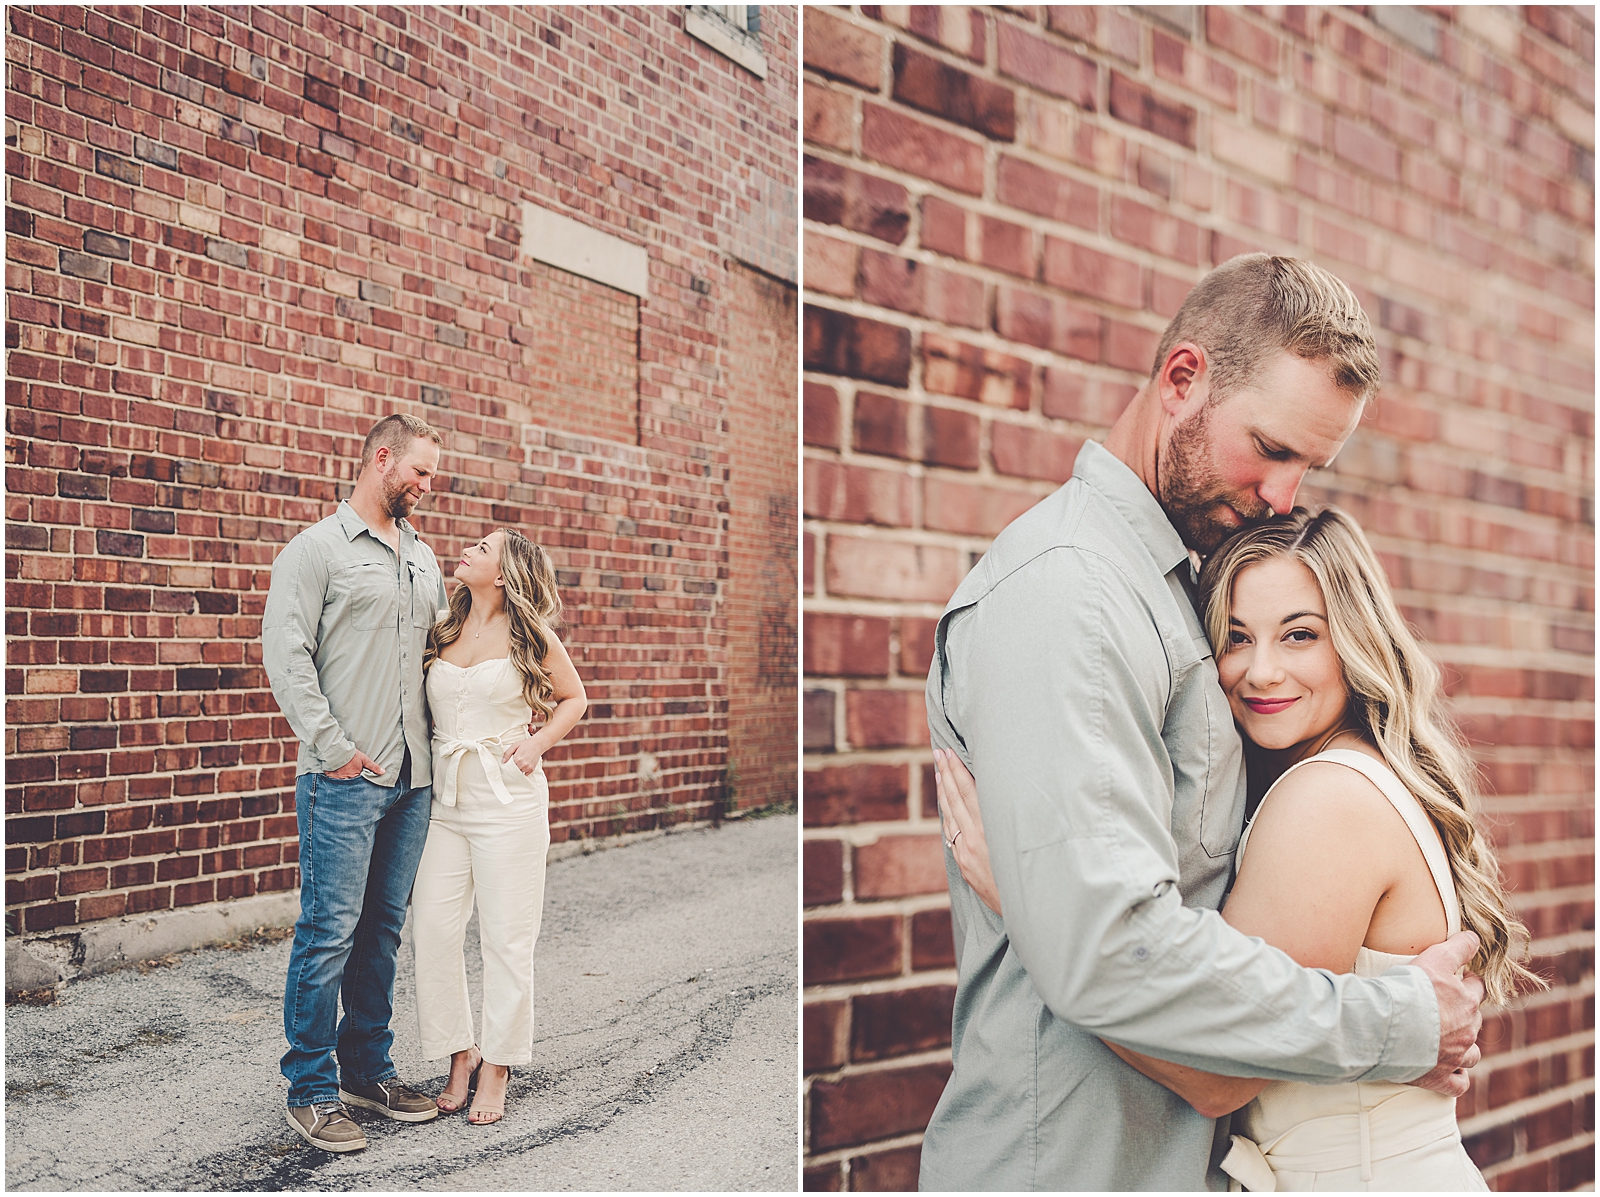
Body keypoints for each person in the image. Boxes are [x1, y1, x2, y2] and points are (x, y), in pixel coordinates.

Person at [918, 254, 1486, 1191]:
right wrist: (1399, 1024)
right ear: (1183, 380)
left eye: (1309, 465)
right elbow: (1107, 947)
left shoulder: (1178, 587)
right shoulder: (1073, 592)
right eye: (1269, 446)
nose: (1283, 495)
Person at [936, 506, 1540, 1190]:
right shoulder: (1353, 776)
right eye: (1236, 636)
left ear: (1355, 639)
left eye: (1299, 635)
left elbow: (1215, 1070)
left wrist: (1033, 907)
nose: (1261, 671)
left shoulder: (1324, 802)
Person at [263, 413, 449, 1152]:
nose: (428, 487)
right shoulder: (316, 551)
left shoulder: (426, 559)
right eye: (422, 472)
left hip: (413, 779)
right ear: (383, 459)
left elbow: (447, 652)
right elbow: (285, 654)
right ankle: (309, 1088)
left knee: (382, 932)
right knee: (328, 932)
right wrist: (333, 747)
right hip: (343, 778)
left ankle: (366, 1068)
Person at [410, 528, 587, 1125]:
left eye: (483, 549)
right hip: (445, 802)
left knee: (507, 940)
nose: (468, 550)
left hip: (508, 800)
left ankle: (499, 1066)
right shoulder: (442, 625)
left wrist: (535, 746)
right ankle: (461, 1051)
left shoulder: (529, 635)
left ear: (507, 573)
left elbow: (573, 699)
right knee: (433, 930)